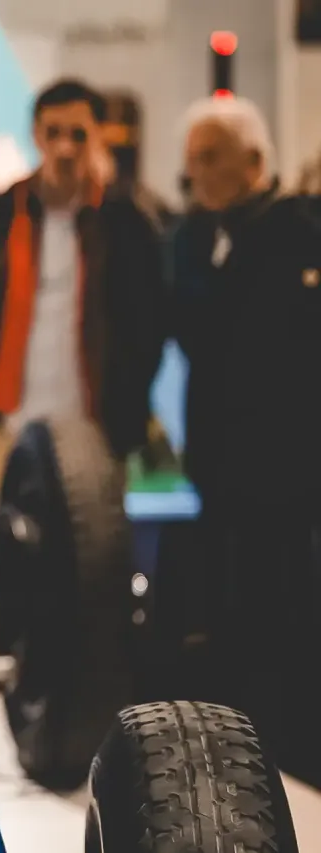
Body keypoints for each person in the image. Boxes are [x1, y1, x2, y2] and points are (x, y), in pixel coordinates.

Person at [169, 95, 321, 781]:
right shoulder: (196, 239)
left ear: (254, 161)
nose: (195, 175)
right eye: (191, 161)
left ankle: (294, 744)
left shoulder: (300, 234)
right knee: (234, 610)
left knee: (288, 607)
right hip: (221, 465)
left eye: (210, 159)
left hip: (289, 470)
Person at [0, 78, 168, 494]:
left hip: (97, 423)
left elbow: (151, 317)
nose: (64, 148)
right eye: (53, 133)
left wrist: (130, 391)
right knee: (15, 528)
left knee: (94, 531)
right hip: (10, 420)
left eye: (78, 135)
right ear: (36, 136)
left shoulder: (125, 221)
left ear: (98, 136)